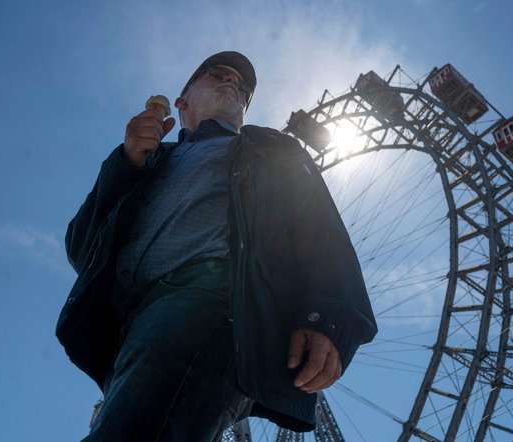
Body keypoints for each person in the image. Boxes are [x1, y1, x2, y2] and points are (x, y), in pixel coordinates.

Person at [56, 51, 377, 441]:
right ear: (181, 101)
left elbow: (320, 227)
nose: (233, 85)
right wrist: (123, 165)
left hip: (216, 299)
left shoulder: (270, 149)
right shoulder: (149, 160)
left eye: (242, 88)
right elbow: (82, 250)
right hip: (134, 326)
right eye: (218, 75)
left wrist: (331, 317)